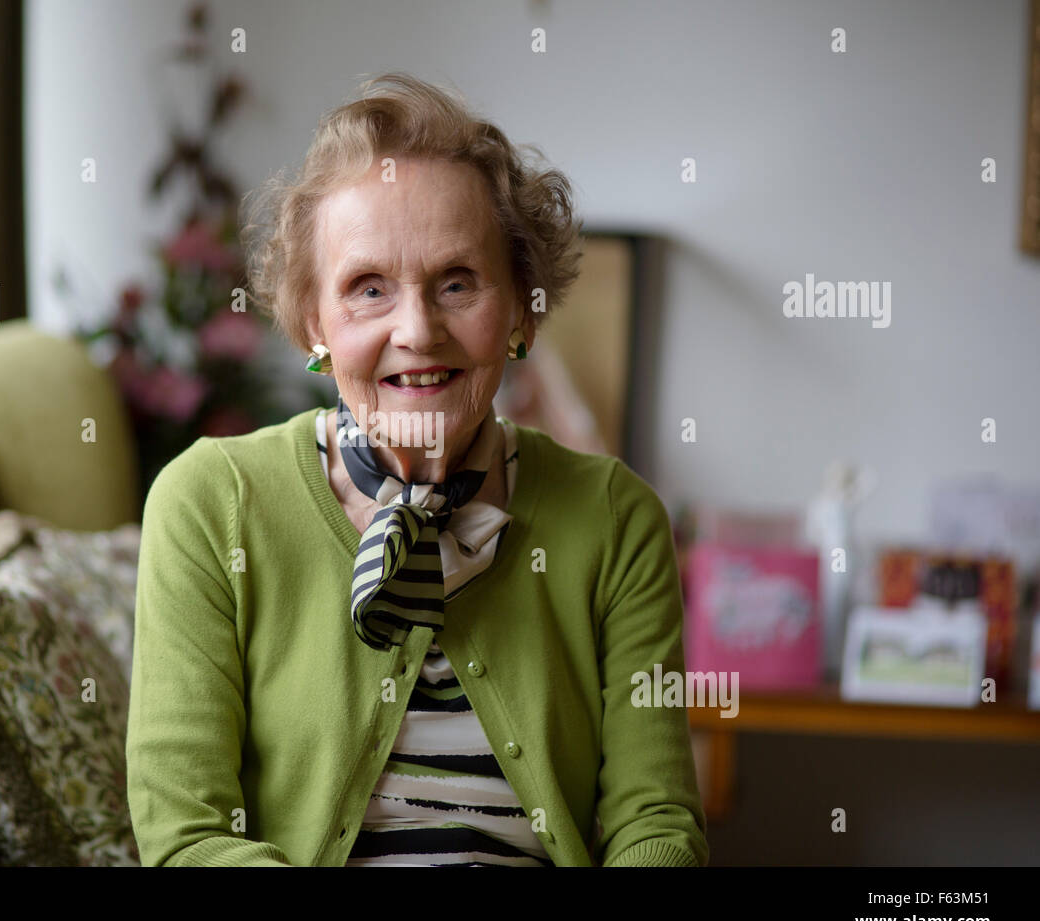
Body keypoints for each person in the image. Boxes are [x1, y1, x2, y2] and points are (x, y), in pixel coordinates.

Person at [126, 72, 709, 867]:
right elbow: (186, 838)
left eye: (458, 283)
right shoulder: (210, 502)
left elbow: (658, 827)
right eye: (368, 289)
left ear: (521, 312)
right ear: (312, 323)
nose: (417, 330)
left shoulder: (615, 519)